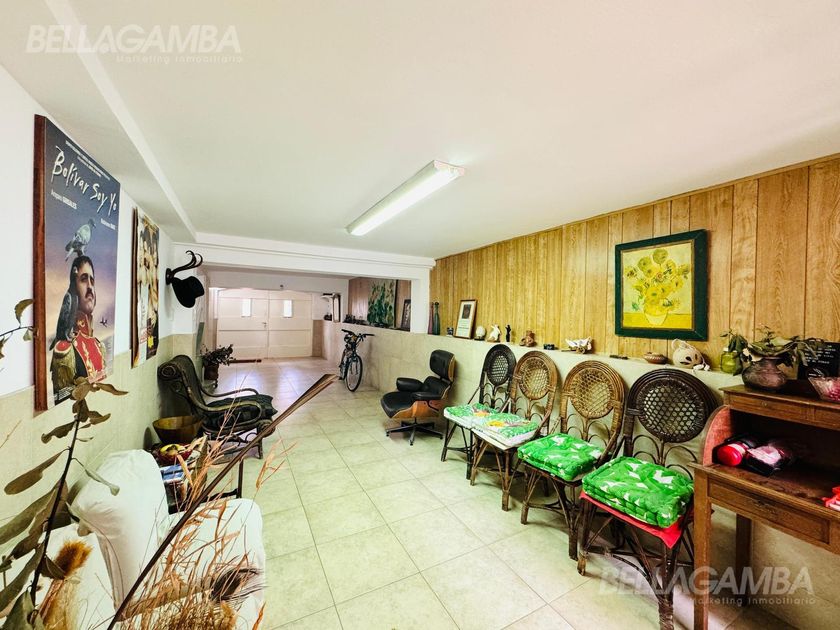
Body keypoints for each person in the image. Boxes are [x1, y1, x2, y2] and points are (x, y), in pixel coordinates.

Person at [50, 255, 106, 403]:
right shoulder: (65, 350)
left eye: (92, 281)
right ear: (74, 283)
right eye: (84, 279)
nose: (90, 287)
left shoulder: (98, 345)